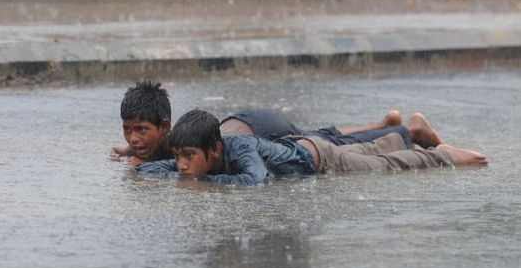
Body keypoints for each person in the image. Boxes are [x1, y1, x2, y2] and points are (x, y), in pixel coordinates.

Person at [114, 81, 438, 166]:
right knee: (319, 135)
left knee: (327, 146)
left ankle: (409, 132)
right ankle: (386, 123)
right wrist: (135, 149)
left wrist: (139, 158)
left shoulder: (179, 147)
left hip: (260, 128)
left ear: (166, 127)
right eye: (129, 130)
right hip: (246, 122)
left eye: (142, 130)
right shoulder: (162, 142)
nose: (134, 137)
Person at [136, 109, 488, 185]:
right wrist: (147, 169)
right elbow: (162, 167)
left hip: (319, 159)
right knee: (371, 150)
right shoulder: (197, 158)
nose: (181, 164)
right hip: (310, 148)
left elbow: (254, 180)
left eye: (188, 157)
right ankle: (403, 132)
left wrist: (201, 182)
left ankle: (441, 155)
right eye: (179, 156)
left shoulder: (239, 149)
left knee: (386, 165)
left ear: (214, 150)